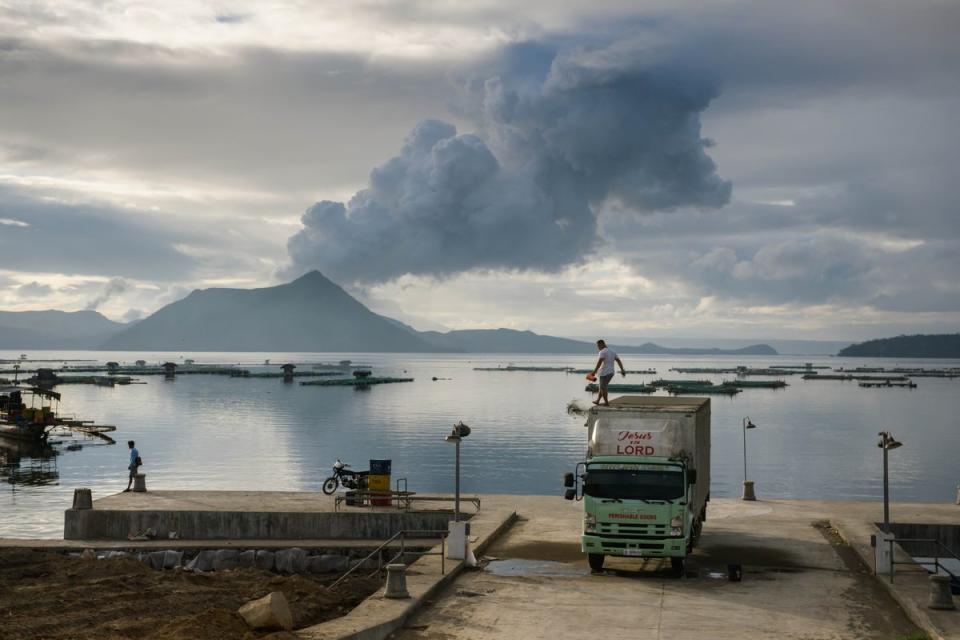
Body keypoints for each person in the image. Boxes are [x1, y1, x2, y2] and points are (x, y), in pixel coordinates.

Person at [590, 339, 626, 406]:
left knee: (603, 387)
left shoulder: (602, 352)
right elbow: (618, 360)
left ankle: (606, 403)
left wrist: (594, 371)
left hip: (604, 373)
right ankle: (598, 400)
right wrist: (622, 370)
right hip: (611, 372)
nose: (598, 347)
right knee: (602, 387)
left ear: (602, 344)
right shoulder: (612, 351)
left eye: (598, 346)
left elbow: (600, 362)